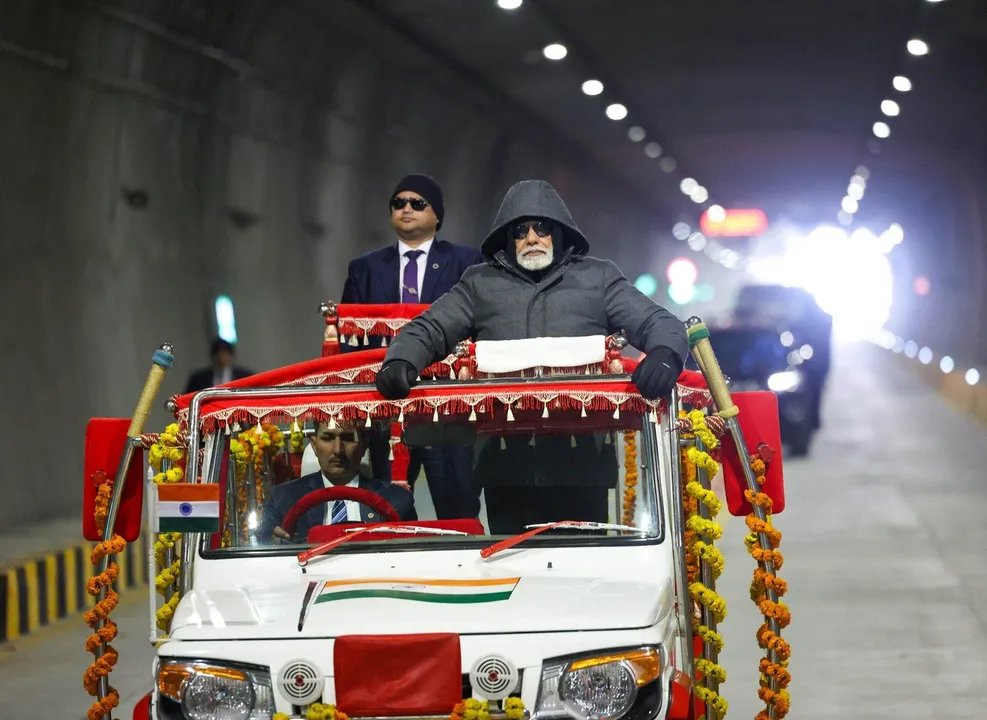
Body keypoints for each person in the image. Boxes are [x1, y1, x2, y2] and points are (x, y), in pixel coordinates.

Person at [375, 179, 689, 532]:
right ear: (508, 239)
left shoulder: (598, 278)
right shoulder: (480, 283)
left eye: (542, 227)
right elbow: (429, 328)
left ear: (560, 232)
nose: (531, 237)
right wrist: (401, 359)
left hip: (582, 467)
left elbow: (658, 321)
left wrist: (665, 354)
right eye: (520, 230)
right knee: (516, 580)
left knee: (587, 576)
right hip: (504, 469)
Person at [340, 173, 484, 520]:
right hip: (386, 405)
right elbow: (348, 342)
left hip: (446, 407)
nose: (406, 209)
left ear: (437, 215)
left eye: (417, 203)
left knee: (457, 510)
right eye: (398, 202)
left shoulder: (466, 263)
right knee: (387, 511)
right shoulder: (365, 269)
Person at [260, 419, 416, 544]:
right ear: (314, 445)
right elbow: (261, 555)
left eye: (348, 438)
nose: (337, 450)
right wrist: (272, 544)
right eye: (327, 438)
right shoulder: (282, 500)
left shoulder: (397, 501)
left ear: (364, 445)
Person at [184, 338, 252, 393]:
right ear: (212, 356)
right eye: (218, 354)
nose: (221, 357)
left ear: (232, 355)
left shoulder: (244, 376)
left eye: (224, 354)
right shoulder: (198, 379)